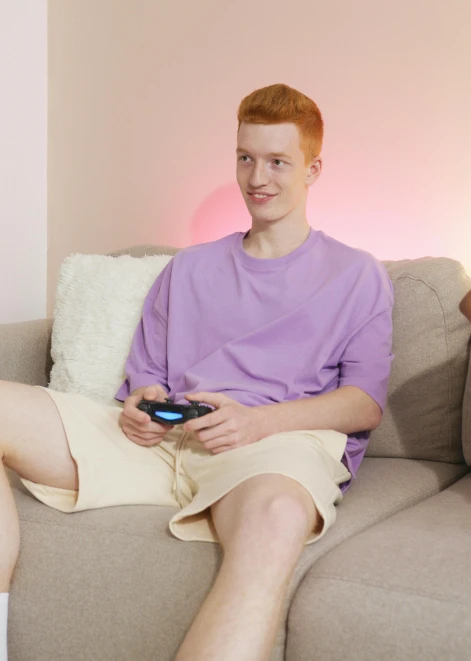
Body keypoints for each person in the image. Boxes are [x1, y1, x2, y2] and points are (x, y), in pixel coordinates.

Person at [0, 84, 394, 661]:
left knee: (278, 518)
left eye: (277, 162)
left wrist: (256, 425)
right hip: (165, 444)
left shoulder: (358, 275)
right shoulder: (188, 269)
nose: (257, 177)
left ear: (312, 169)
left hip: (272, 449)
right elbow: (147, 380)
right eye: (245, 158)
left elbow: (364, 403)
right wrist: (144, 404)